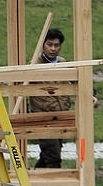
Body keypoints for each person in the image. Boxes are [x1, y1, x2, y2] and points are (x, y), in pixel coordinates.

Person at [29, 28, 72, 168]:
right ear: (43, 45)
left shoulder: (63, 63)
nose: (53, 48)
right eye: (49, 44)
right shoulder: (34, 65)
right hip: (44, 118)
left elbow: (79, 80)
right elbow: (17, 84)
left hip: (61, 116)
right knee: (53, 156)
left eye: (56, 45)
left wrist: (91, 94)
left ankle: (35, 180)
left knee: (50, 153)